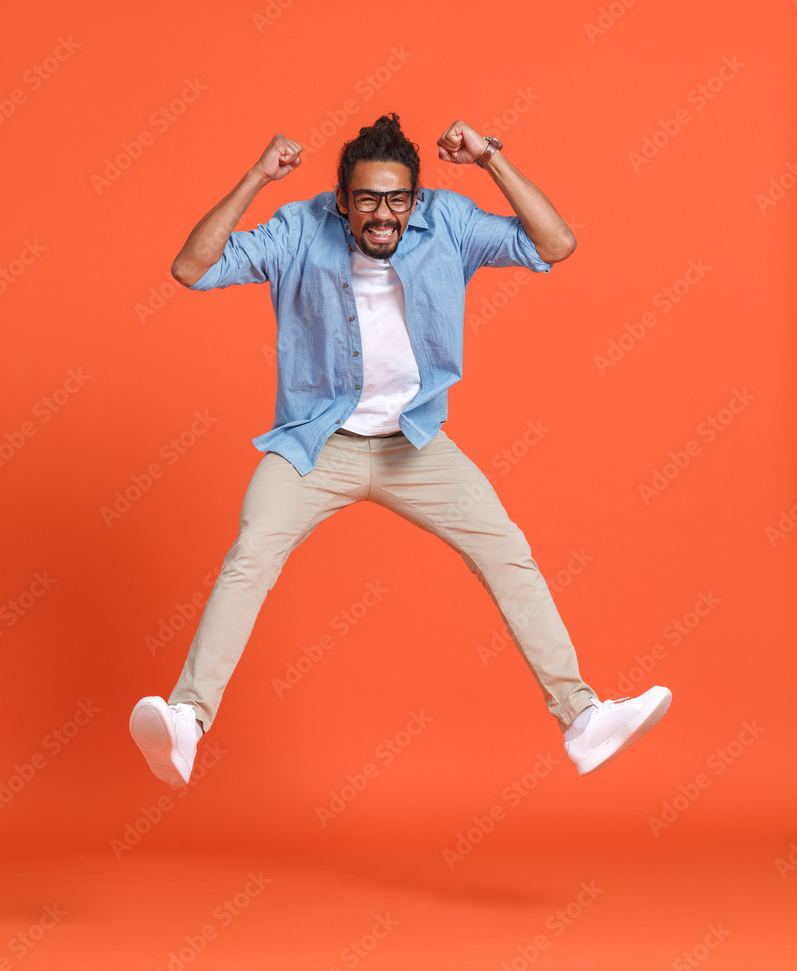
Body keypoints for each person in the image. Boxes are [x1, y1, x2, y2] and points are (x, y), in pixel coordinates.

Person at [129, 113, 671, 786]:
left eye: (397, 199)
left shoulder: (448, 222)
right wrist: (256, 177)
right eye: (367, 200)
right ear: (342, 202)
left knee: (506, 551)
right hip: (314, 446)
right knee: (251, 556)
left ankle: (583, 721)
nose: (383, 215)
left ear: (415, 199)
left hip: (414, 446)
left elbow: (555, 243)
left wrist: (490, 159)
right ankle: (186, 719)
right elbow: (191, 267)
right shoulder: (299, 229)